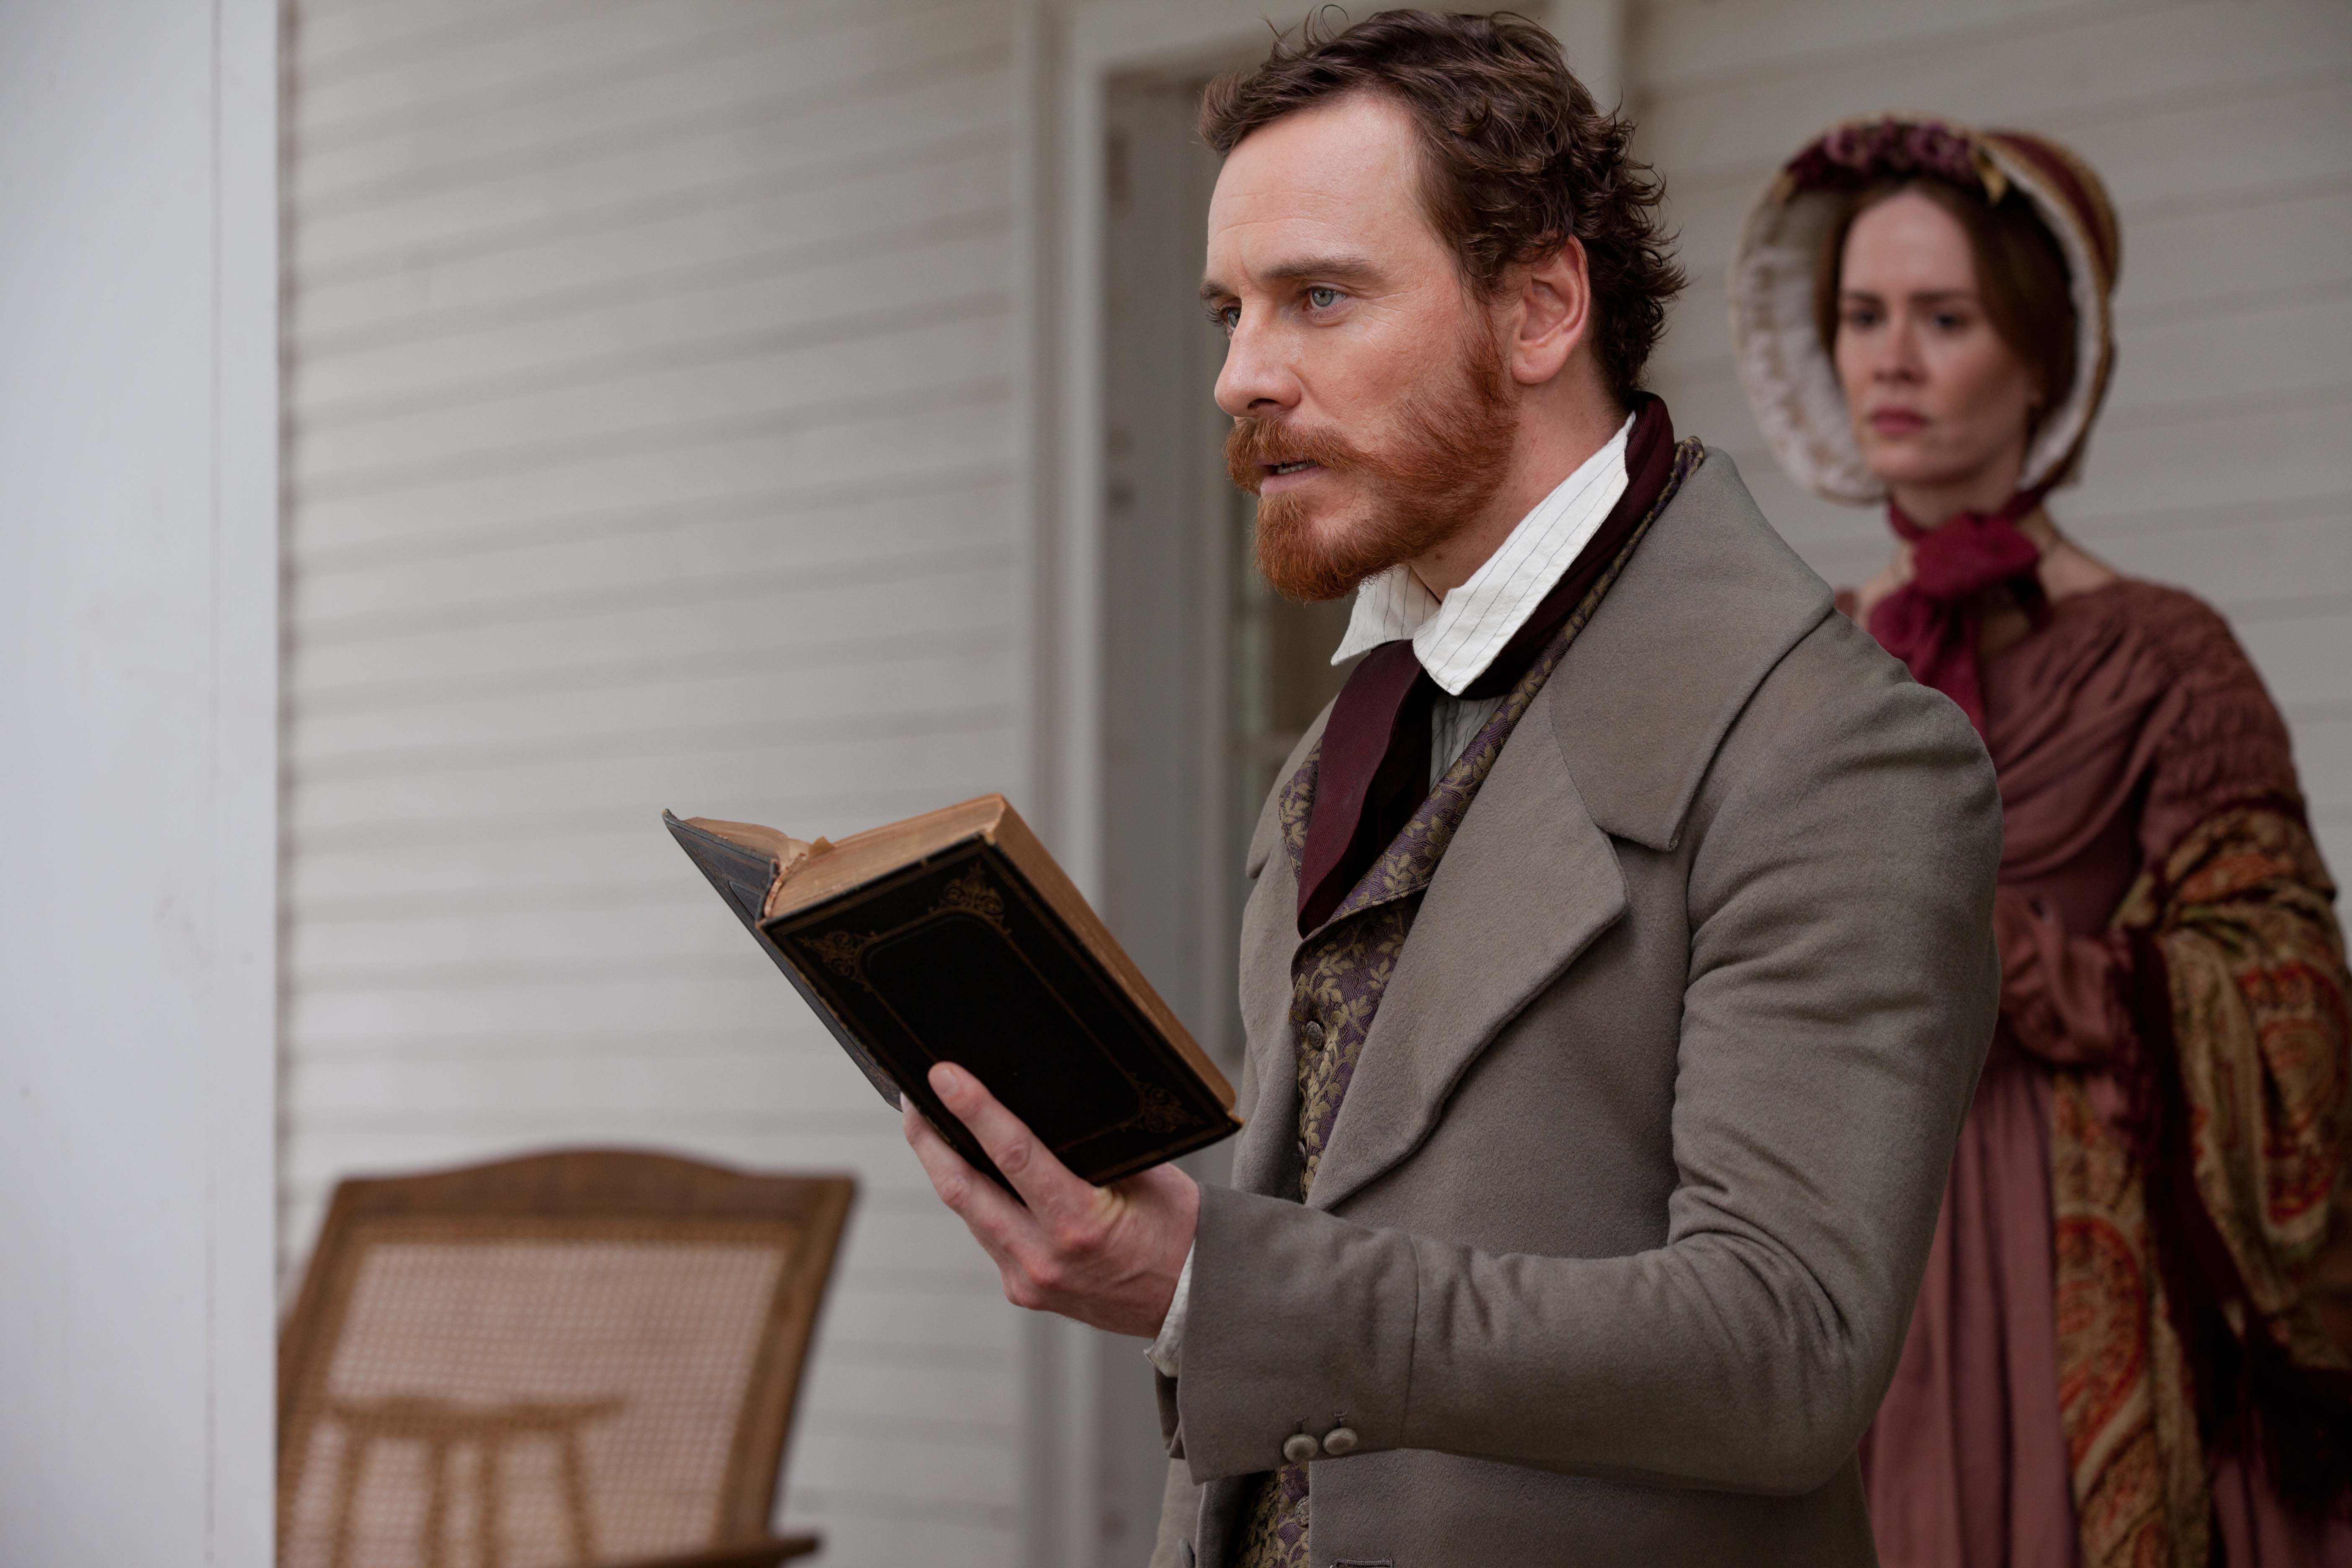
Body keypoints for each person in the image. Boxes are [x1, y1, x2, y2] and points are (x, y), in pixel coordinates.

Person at [901, 18, 2004, 1565]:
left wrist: (1215, 1284)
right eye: (1229, 311)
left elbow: (1785, 1350)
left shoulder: (1838, 751)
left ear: (1542, 307)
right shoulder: (1350, 736)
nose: (1238, 377)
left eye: (1319, 298)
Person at [1730, 115, 2352, 1568]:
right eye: (1863, 316)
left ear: (2043, 358)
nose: (1891, 360)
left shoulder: (2166, 657)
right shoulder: (1799, 662)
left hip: (2069, 1252)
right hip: (1840, 1239)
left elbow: (2289, 1000)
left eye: (1945, 319)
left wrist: (2017, 961)